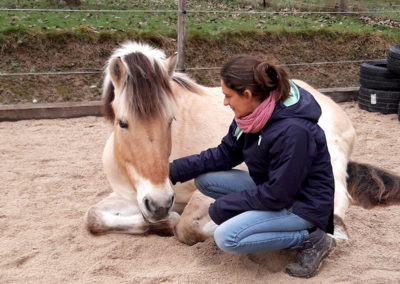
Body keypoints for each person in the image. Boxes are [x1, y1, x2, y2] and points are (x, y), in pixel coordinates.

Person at [169, 55, 336, 278]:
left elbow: (278, 196)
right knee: (205, 180)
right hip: (274, 188)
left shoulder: (294, 131)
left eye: (228, 96)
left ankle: (311, 239)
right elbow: (224, 154)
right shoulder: (251, 116)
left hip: (302, 204)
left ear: (247, 95)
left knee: (227, 238)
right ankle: (261, 222)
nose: (225, 103)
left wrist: (225, 207)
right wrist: (173, 170)